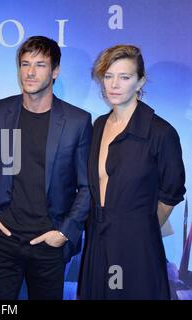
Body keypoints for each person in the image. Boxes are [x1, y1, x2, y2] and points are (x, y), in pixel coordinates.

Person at [0, 36, 92, 300]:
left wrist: (64, 232)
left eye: (40, 65)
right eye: (25, 64)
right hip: (4, 238)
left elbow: (86, 186)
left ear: (55, 71)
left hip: (49, 242)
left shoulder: (78, 121)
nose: (29, 72)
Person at [78, 45, 186, 299]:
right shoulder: (99, 125)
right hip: (97, 241)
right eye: (108, 76)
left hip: (135, 247)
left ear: (140, 82)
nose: (114, 84)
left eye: (124, 77)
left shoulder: (161, 132)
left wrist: (138, 228)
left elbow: (171, 193)